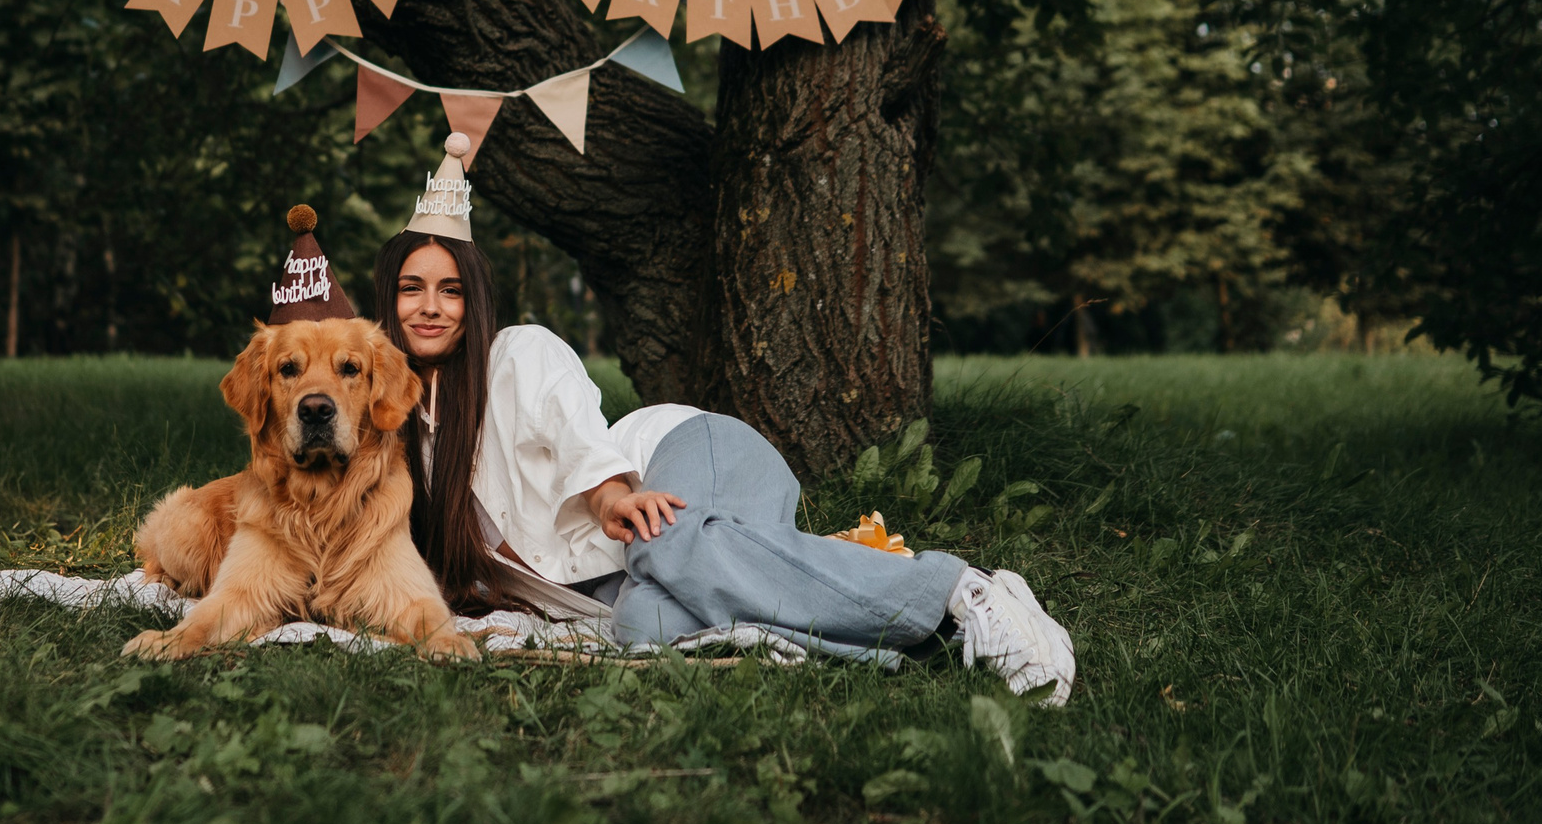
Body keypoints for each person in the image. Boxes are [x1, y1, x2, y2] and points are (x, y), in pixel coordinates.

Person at [376, 132, 1076, 700]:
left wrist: (614, 493)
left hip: (690, 453)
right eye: (411, 289)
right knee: (646, 624)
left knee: (661, 537)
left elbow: (576, 430)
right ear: (388, 299)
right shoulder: (401, 439)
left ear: (475, 301)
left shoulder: (514, 355)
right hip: (628, 574)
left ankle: (959, 584)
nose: (430, 306)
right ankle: (944, 641)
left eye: (449, 289)